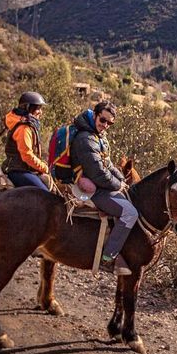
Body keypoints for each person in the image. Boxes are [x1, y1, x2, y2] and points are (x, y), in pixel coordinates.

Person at [70, 100, 135, 275]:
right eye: (103, 120)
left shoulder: (98, 136)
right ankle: (107, 259)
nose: (105, 125)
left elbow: (108, 164)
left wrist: (122, 181)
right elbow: (97, 173)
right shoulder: (86, 138)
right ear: (95, 115)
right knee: (130, 213)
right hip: (90, 185)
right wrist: (117, 185)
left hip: (99, 182)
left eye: (109, 123)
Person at [2, 91, 50, 191]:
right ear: (28, 108)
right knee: (45, 195)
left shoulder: (25, 124)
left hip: (25, 169)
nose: (41, 112)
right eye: (38, 108)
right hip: (19, 170)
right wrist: (44, 168)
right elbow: (27, 156)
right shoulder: (23, 128)